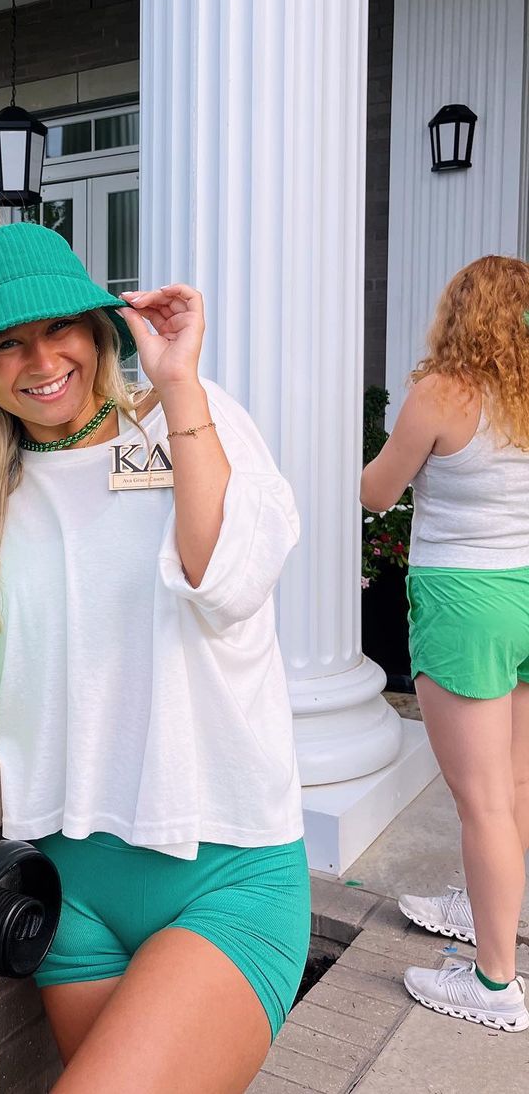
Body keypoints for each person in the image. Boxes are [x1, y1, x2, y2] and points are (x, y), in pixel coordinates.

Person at [0, 223, 309, 1093]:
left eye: (59, 326)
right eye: (5, 344)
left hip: (224, 867)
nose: (41, 360)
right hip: (71, 890)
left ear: (99, 327)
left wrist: (176, 383)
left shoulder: (190, 417)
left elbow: (227, 581)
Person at [360, 255, 529, 1033]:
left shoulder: (442, 393)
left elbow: (377, 493)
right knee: (513, 786)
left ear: (460, 313)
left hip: (467, 603)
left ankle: (495, 984)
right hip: (525, 591)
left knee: (482, 800)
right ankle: (486, 907)